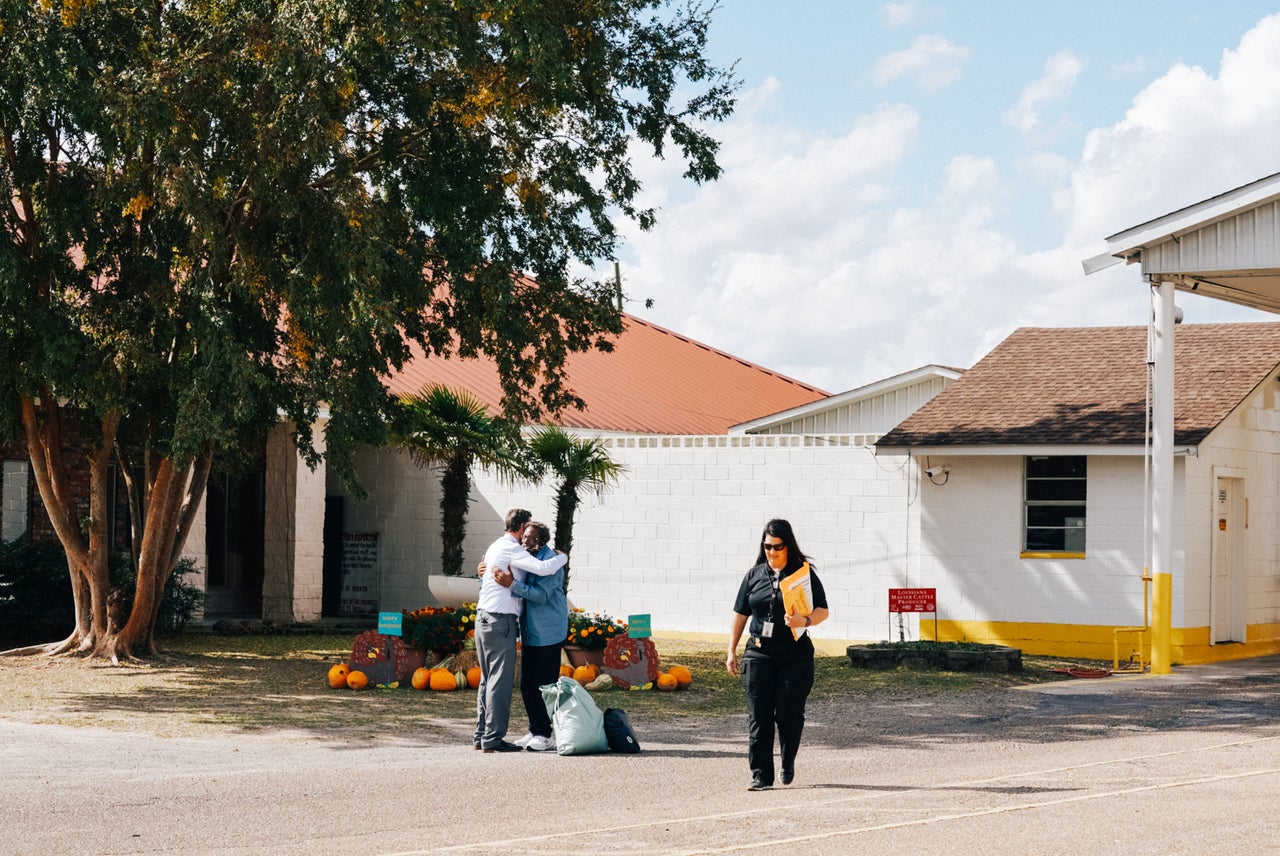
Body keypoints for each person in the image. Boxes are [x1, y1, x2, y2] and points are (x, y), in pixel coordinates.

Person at [726, 518, 829, 791]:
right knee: (758, 716)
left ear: (788, 545)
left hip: (794, 656)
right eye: (768, 546)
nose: (772, 552)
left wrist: (804, 621)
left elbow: (823, 610)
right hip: (758, 653)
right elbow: (740, 614)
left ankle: (787, 760)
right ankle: (761, 775)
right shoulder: (754, 575)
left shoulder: (802, 574)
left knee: (788, 714)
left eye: (778, 546)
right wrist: (731, 650)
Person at [474, 508, 567, 753]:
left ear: (543, 540)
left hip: (547, 631)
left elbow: (543, 591)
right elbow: (502, 569)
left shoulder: (544, 560)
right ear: (521, 528)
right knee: (525, 684)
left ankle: (543, 733)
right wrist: (484, 571)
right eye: (526, 535)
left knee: (543, 683)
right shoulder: (520, 553)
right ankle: (533, 730)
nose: (527, 540)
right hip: (522, 628)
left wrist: (561, 558)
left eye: (533, 538)